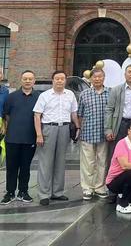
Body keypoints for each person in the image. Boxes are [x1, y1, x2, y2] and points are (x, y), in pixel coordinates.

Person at [33, 70, 80, 205]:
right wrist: (39, 134)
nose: (60, 81)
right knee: (46, 162)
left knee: (60, 161)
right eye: (57, 79)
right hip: (48, 128)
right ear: (52, 80)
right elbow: (37, 116)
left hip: (64, 128)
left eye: (62, 79)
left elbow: (74, 113)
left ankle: (57, 192)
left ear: (65, 81)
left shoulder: (70, 95)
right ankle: (44, 194)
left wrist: (78, 127)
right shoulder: (44, 95)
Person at [1, 70, 40, 205]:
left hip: (30, 138)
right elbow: (6, 116)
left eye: (30, 79)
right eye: (25, 79)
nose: (28, 81)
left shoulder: (39, 97)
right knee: (11, 167)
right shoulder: (11, 97)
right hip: (12, 138)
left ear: (34, 81)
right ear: (21, 80)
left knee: (25, 167)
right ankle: (10, 192)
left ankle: (23, 191)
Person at [77, 68, 110, 201]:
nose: (97, 79)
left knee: (102, 162)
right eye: (94, 77)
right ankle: (87, 188)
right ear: (90, 79)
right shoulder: (84, 94)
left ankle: (100, 187)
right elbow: (80, 114)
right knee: (87, 162)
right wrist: (79, 129)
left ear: (104, 77)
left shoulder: (110, 93)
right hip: (88, 133)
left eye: (100, 76)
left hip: (104, 134)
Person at [105, 64, 131, 145]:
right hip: (121, 124)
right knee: (119, 149)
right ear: (125, 74)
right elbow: (109, 110)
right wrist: (108, 129)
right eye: (129, 72)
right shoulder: (116, 90)